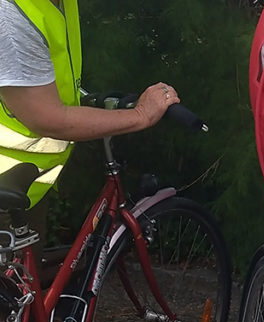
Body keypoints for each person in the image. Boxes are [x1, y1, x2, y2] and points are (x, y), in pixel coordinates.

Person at [0, 0, 179, 213]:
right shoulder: (10, 15)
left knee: (31, 241)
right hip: (6, 185)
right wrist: (141, 115)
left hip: (26, 185)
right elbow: (50, 119)